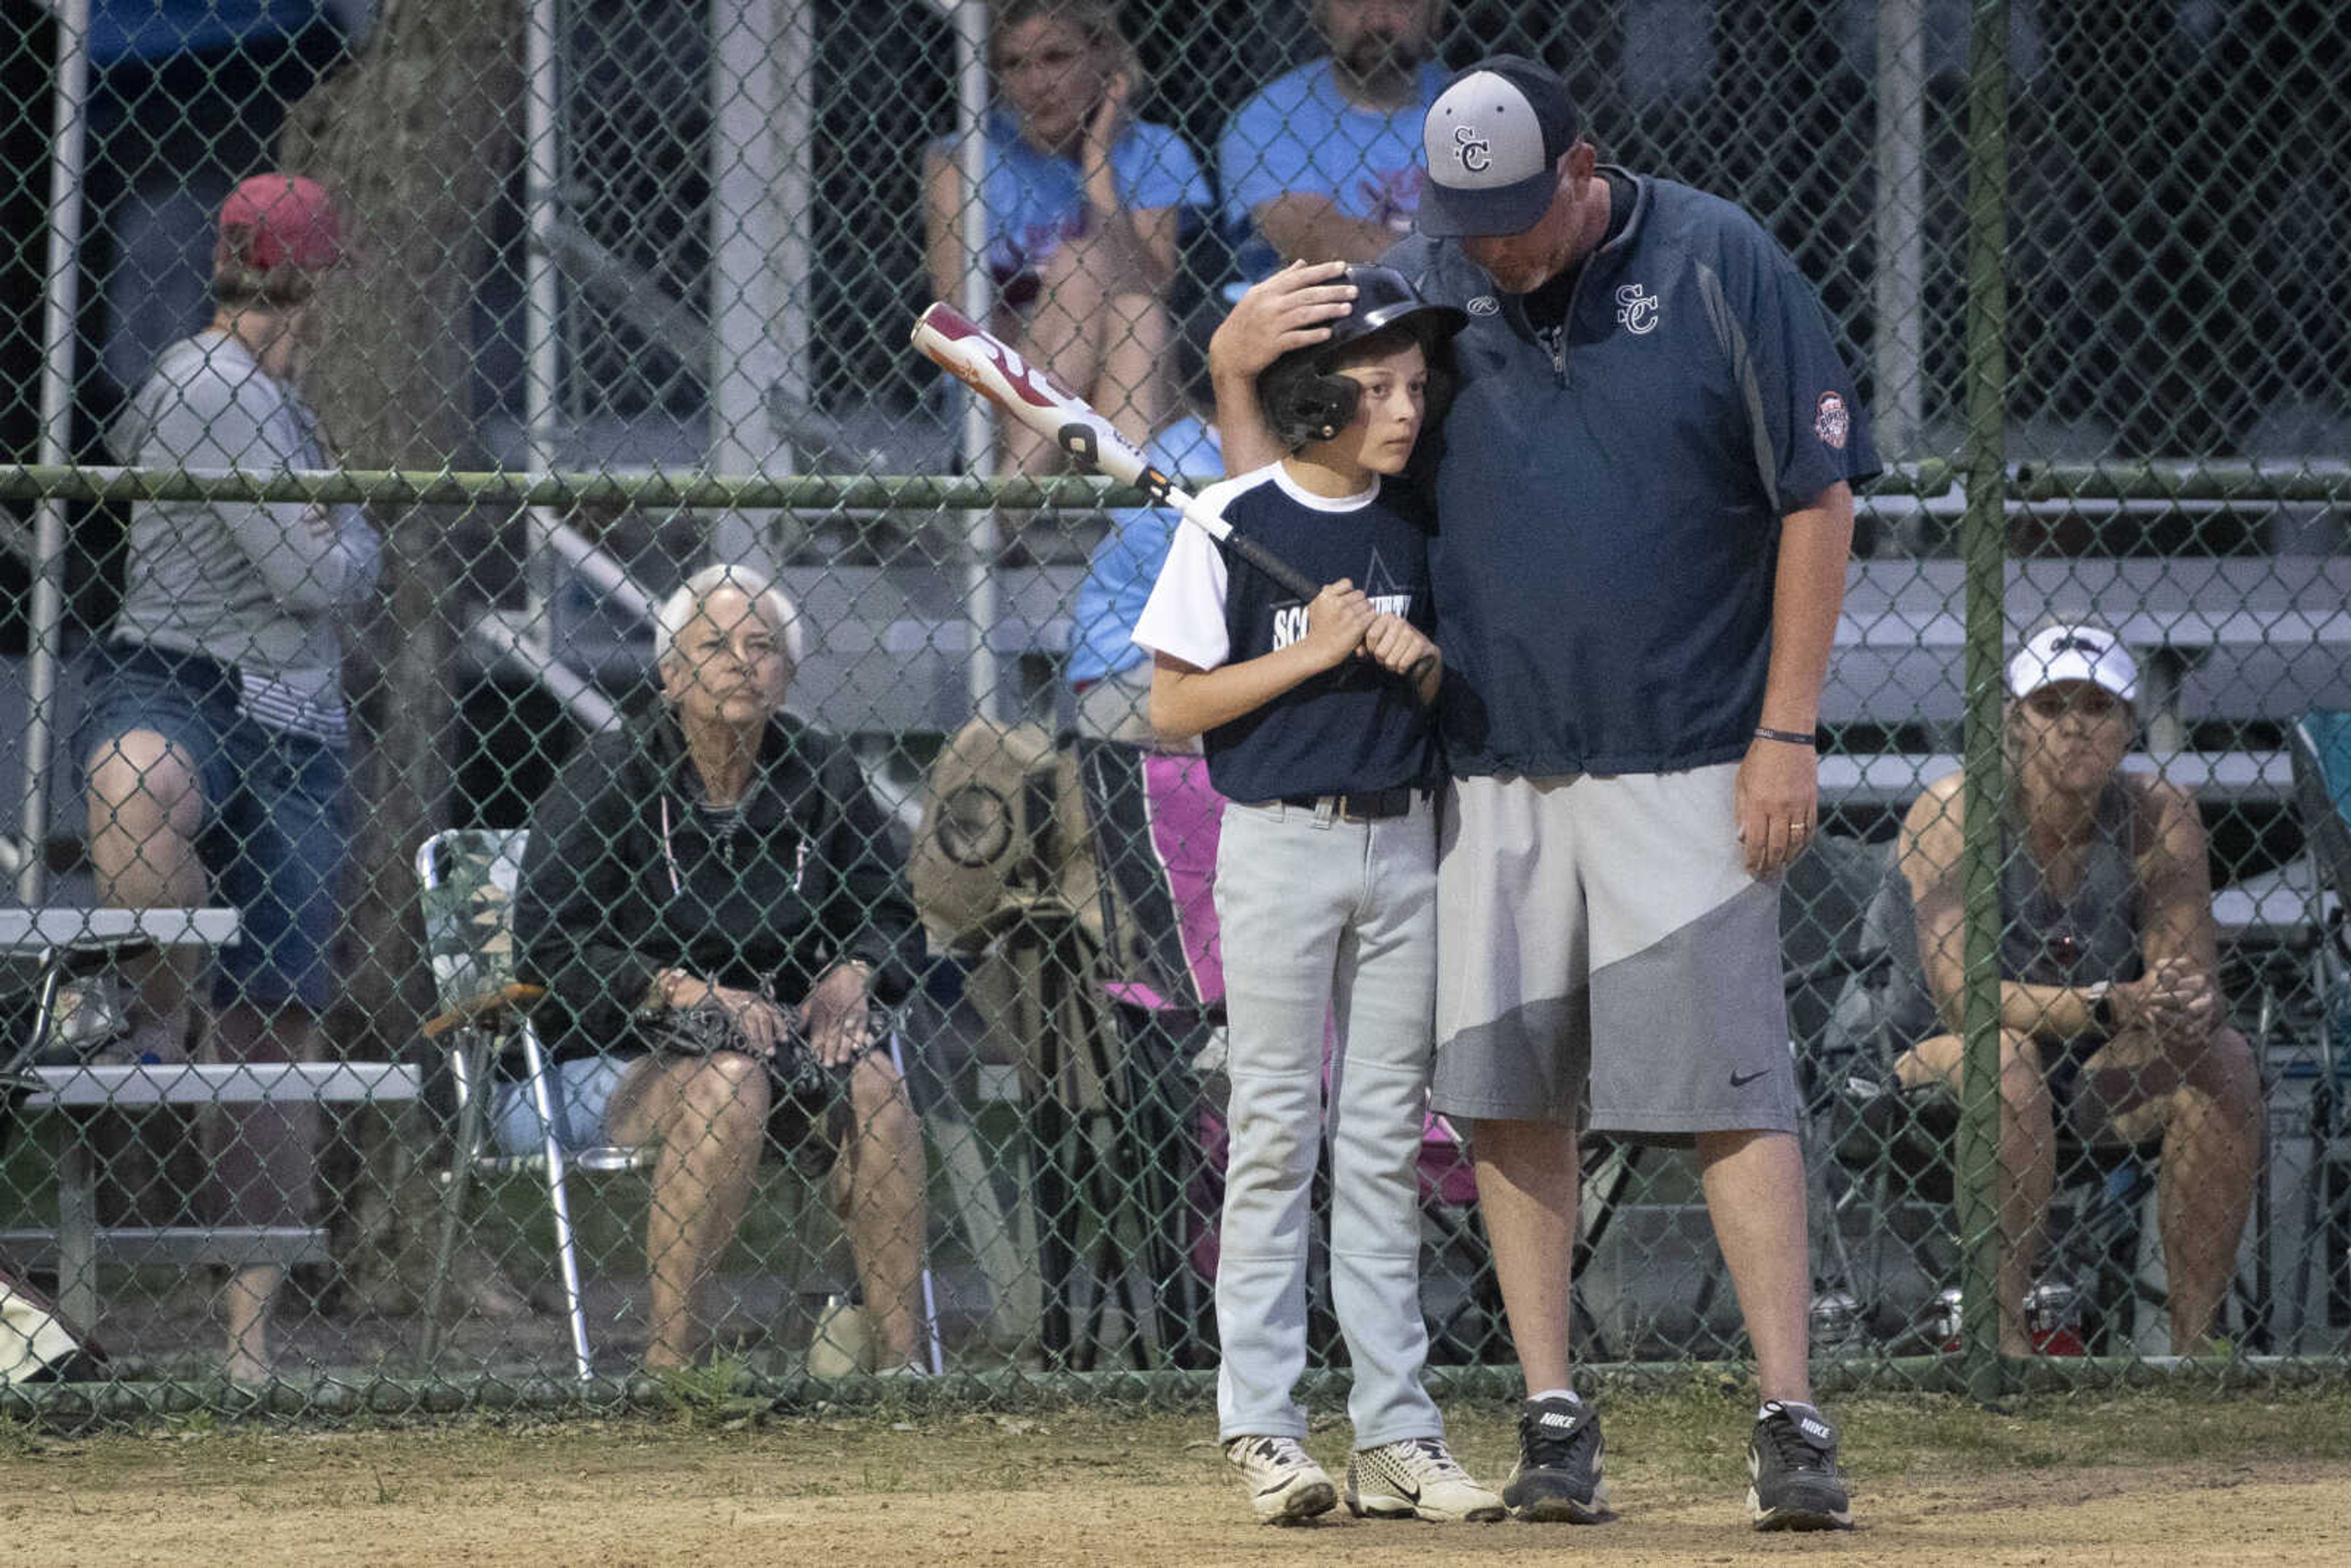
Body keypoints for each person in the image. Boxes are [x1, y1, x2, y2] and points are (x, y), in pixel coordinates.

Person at [1210, 55, 1878, 1531]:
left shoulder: (1716, 259)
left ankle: (1787, 1412)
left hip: (1688, 747)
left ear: (1585, 169)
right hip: (1490, 760)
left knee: (1725, 1085)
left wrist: (1787, 728)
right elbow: (1296, 491)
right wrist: (1228, 374)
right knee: (1512, 1093)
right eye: (1469, 220)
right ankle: (1551, 1414)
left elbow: (1816, 497)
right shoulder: (1425, 285)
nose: (1492, 248)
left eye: (1517, 215)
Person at [1133, 266, 1502, 1526]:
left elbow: (1457, 684)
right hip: (1281, 847)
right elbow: (1172, 706)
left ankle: (1398, 1428)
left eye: (1417, 384)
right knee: (1278, 1129)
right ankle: (1266, 1426)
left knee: (1389, 1135)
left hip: (1406, 845)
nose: (1408, 406)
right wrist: (1312, 650)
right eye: (1378, 385)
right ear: (1311, 395)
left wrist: (1420, 659)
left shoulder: (1421, 522)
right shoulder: (1233, 516)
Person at [79, 171, 380, 1385]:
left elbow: (334, 556)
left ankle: (249, 1345)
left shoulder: (283, 399)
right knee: (139, 779)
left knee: (277, 1029)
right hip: (189, 679)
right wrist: (344, 529)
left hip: (297, 716)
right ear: (317, 280)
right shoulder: (211, 382)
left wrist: (336, 530)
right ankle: (151, 1004)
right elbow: (328, 572)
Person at [512, 566, 931, 1374]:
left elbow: (891, 914)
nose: (742, 661)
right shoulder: (610, 774)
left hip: (781, 1048)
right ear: (671, 674)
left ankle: (903, 1372)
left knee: (876, 1082)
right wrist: (680, 987)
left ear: (788, 674)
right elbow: (550, 949)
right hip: (613, 1056)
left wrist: (856, 968)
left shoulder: (822, 774)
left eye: (762, 645)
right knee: (728, 1082)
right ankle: (672, 1372)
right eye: (714, 645)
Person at [1883, 623, 2263, 1356]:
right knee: (2007, 1056)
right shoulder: (1954, 808)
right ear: (2016, 722)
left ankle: (2197, 1351)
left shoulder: (2160, 811)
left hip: (2093, 1068)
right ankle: (2003, 1346)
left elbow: (2184, 975)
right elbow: (1967, 1000)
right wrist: (2108, 1003)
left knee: (2226, 1059)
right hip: (1932, 1060)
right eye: (2050, 704)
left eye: (2097, 705)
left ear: (2127, 725)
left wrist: (2186, 1006)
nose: (2074, 725)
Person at [921, 0, 1210, 476]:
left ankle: (1009, 511)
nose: (1037, 83)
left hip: (1126, 394)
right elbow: (959, 318)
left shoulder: (1154, 151)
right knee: (1085, 271)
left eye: (1057, 57)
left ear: (1103, 57)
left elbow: (1153, 286)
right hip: (1003, 400)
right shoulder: (962, 160)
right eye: (1016, 64)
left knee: (1135, 311)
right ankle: (1114, 516)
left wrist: (1098, 164)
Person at [1067, 302, 1225, 745]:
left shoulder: (1208, 449)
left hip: (1164, 668)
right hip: (1123, 674)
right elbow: (1201, 633)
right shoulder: (1184, 464)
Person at [1218, 1, 1450, 275]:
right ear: (1319, 12)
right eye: (1353, 3)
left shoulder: (1474, 102)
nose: (1377, 22)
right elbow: (1320, 244)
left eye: (1401, 3)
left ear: (1437, 12)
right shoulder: (1269, 119)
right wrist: (1461, 267)